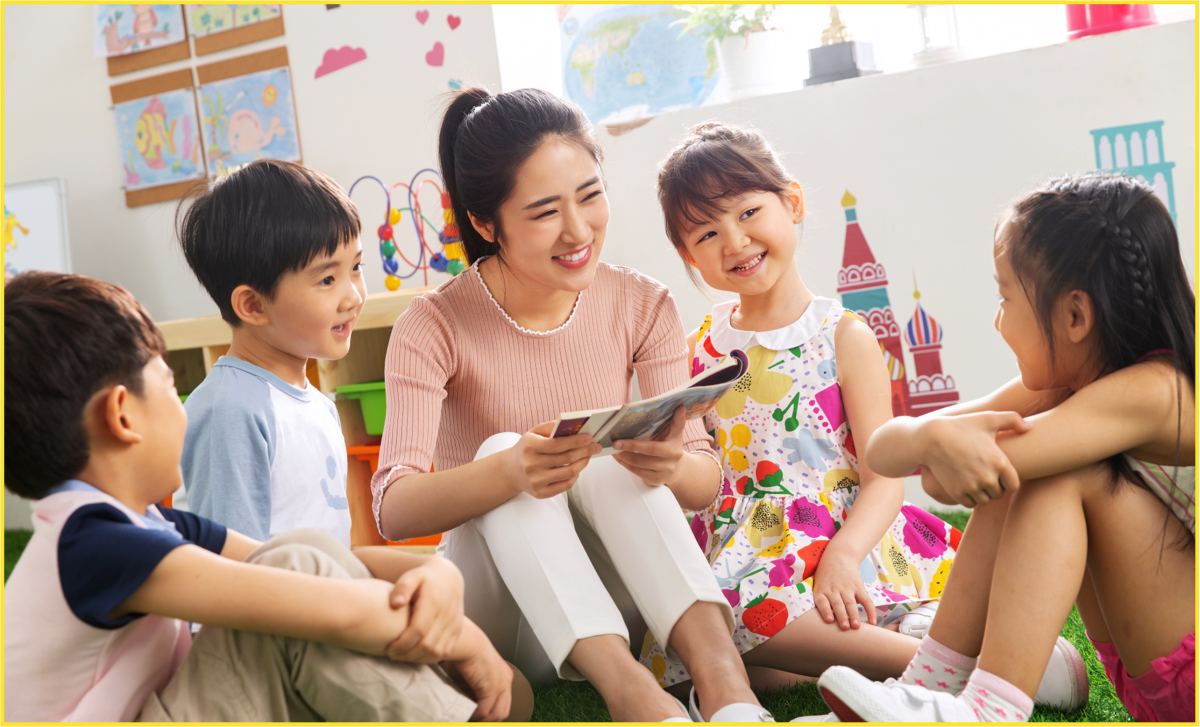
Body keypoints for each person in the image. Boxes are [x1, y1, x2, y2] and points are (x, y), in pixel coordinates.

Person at [372, 88, 769, 723]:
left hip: (623, 600)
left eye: (589, 194)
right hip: (501, 615)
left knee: (613, 455)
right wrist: (507, 471)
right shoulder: (433, 324)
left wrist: (667, 461)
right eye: (543, 212)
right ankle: (635, 699)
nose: (578, 231)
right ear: (484, 223)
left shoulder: (644, 303)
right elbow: (393, 508)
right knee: (506, 449)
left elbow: (703, 484)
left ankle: (727, 689)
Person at [3, 271, 530, 722]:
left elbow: (320, 562)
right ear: (122, 415)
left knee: (297, 553)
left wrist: (438, 575)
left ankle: (452, 701)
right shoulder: (93, 543)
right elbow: (321, 607)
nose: (183, 408)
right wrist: (466, 641)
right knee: (295, 588)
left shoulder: (143, 524)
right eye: (170, 387)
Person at [817, 173, 1194, 722]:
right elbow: (882, 449)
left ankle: (988, 710)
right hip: (1163, 671)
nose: (997, 319)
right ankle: (926, 686)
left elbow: (958, 478)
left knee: (1051, 471)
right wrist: (926, 435)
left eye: (1005, 295)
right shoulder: (1066, 384)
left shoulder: (1156, 390)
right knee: (1026, 458)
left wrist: (942, 449)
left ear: (1074, 316)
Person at [646, 122, 971, 695]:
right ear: (686, 254)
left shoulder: (842, 334)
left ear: (790, 203)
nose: (735, 242)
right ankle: (889, 654)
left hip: (831, 535)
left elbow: (885, 480)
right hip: (740, 541)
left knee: (744, 616)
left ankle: (938, 667)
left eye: (748, 213)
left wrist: (843, 557)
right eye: (706, 233)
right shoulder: (699, 344)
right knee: (696, 650)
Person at [173, 160, 364, 547]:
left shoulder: (317, 405)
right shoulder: (230, 411)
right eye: (327, 279)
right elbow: (232, 578)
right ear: (254, 306)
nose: (354, 296)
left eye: (356, 267)